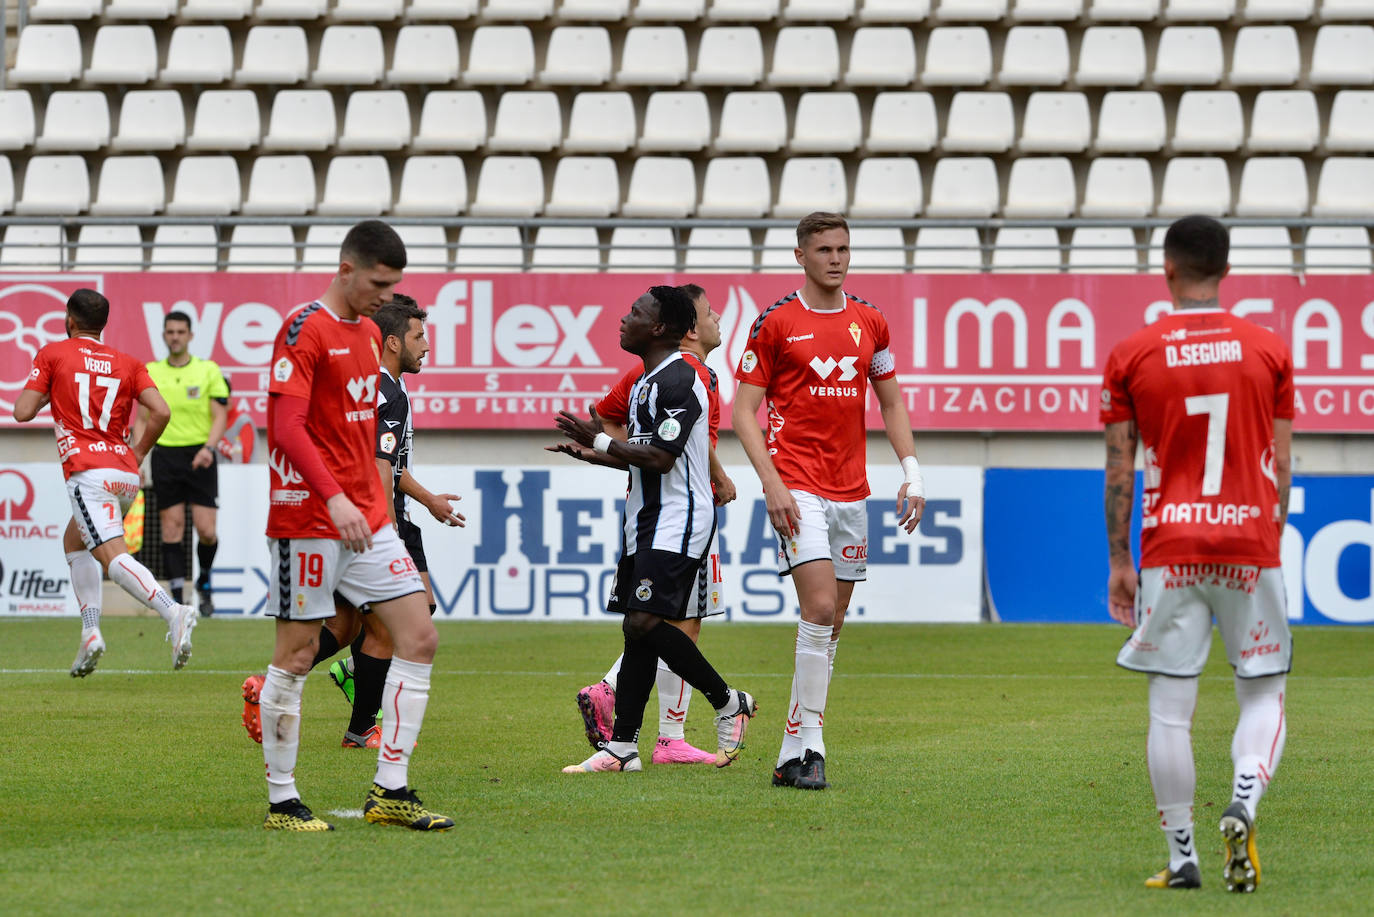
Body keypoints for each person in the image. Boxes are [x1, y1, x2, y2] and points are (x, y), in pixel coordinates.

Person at [1102, 215, 1293, 893]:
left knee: (1169, 709)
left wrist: (1121, 559)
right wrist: (1266, 535)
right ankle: (1243, 795)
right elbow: (1282, 464)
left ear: (1168, 269)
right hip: (1249, 541)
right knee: (1264, 692)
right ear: (1227, 268)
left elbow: (1120, 465)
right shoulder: (1267, 349)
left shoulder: (1134, 353)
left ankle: (1182, 856)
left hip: (1172, 545)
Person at [241, 220, 452, 832]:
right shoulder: (303, 330)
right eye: (379, 283)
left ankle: (390, 789)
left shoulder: (367, 335)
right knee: (298, 652)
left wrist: (373, 507)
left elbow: (363, 435)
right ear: (346, 269)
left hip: (367, 518)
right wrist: (334, 497)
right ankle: (282, 801)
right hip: (308, 516)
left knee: (419, 636)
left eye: (394, 285)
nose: (386, 295)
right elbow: (285, 428)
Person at [731, 211, 925, 791]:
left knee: (833, 621)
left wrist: (912, 473)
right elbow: (743, 412)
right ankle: (812, 744)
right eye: (824, 250)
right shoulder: (775, 323)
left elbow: (891, 403)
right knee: (817, 607)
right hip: (797, 486)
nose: (836, 259)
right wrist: (771, 483)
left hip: (852, 492)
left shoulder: (871, 322)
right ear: (800, 256)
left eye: (843, 248)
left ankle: (795, 745)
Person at [553, 285, 757, 774]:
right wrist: (596, 453)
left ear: (660, 327)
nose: (625, 319)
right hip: (645, 520)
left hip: (681, 519)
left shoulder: (682, 380)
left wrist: (600, 437)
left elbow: (663, 460)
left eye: (636, 313)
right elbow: (644, 460)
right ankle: (622, 748)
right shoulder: (646, 383)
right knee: (635, 628)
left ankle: (728, 700)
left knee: (645, 622)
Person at [14, 289, 199, 677]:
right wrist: (138, 452)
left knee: (112, 556)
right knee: (74, 541)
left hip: (88, 472)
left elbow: (23, 411)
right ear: (104, 324)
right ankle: (90, 631)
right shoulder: (127, 362)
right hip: (124, 473)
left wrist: (55, 389)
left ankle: (174, 611)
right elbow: (161, 412)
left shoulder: (54, 354)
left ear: (69, 320)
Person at [327, 293, 466, 749]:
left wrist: (428, 500)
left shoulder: (387, 387)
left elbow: (390, 463)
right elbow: (379, 466)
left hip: (384, 515)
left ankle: (350, 685)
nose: (427, 346)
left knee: (362, 624)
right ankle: (362, 719)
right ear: (391, 342)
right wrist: (387, 533)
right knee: (401, 621)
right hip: (380, 518)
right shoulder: (385, 392)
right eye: (419, 336)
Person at [140, 311, 229, 616]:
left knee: (206, 531)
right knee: (171, 529)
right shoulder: (151, 371)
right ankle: (178, 601)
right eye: (170, 332)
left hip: (200, 455)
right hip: (165, 454)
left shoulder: (208, 370)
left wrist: (209, 448)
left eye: (180, 331)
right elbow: (142, 419)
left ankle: (204, 582)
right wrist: (138, 458)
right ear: (164, 335)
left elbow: (220, 416)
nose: (175, 336)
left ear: (190, 335)